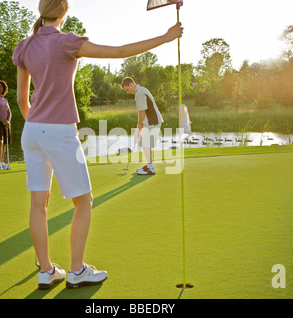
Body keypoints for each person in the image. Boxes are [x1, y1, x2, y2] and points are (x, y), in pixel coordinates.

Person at [12, 0, 183, 290]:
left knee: (38, 203)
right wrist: (166, 37)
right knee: (84, 202)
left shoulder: (24, 46)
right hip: (59, 130)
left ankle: (46, 271)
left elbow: (20, 100)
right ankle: (77, 271)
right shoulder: (67, 42)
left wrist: (37, 126)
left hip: (31, 132)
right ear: (63, 13)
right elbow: (119, 52)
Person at [121, 77, 163, 175]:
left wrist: (139, 124)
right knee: (145, 144)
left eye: (127, 89)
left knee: (145, 144)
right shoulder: (141, 91)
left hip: (152, 121)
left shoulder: (140, 92)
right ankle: (149, 165)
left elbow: (142, 110)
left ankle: (151, 168)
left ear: (131, 84)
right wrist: (142, 124)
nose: (128, 92)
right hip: (150, 122)